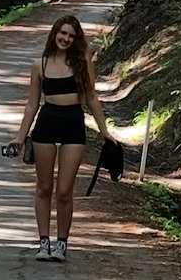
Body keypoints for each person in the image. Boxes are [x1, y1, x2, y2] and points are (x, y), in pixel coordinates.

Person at [7, 14, 112, 263]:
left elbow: (91, 98)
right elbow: (32, 105)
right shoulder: (39, 65)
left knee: (65, 190)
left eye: (71, 35)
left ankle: (62, 243)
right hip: (46, 125)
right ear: (54, 33)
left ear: (76, 40)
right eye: (62, 33)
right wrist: (20, 138)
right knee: (44, 187)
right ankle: (44, 242)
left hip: (73, 125)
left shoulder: (82, 60)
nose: (65, 38)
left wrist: (105, 131)